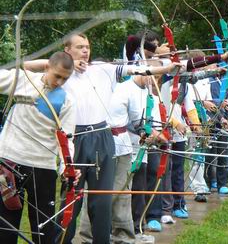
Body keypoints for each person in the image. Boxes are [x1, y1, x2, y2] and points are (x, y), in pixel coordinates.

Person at [24, 33, 181, 244]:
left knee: (102, 200)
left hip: (102, 137)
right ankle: (61, 241)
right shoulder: (60, 72)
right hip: (74, 139)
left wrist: (165, 68)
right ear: (67, 50)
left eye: (87, 46)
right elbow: (25, 66)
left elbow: (139, 69)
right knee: (71, 199)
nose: (85, 51)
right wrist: (65, 63)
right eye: (79, 47)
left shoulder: (102, 69)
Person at [0, 52, 79, 244]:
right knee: (5, 227)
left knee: (43, 228)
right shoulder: (24, 81)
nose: (59, 82)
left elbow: (66, 140)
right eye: (57, 75)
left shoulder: (66, 101)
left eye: (65, 78)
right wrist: (32, 64)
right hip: (9, 162)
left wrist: (66, 169)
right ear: (47, 68)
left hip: (43, 166)